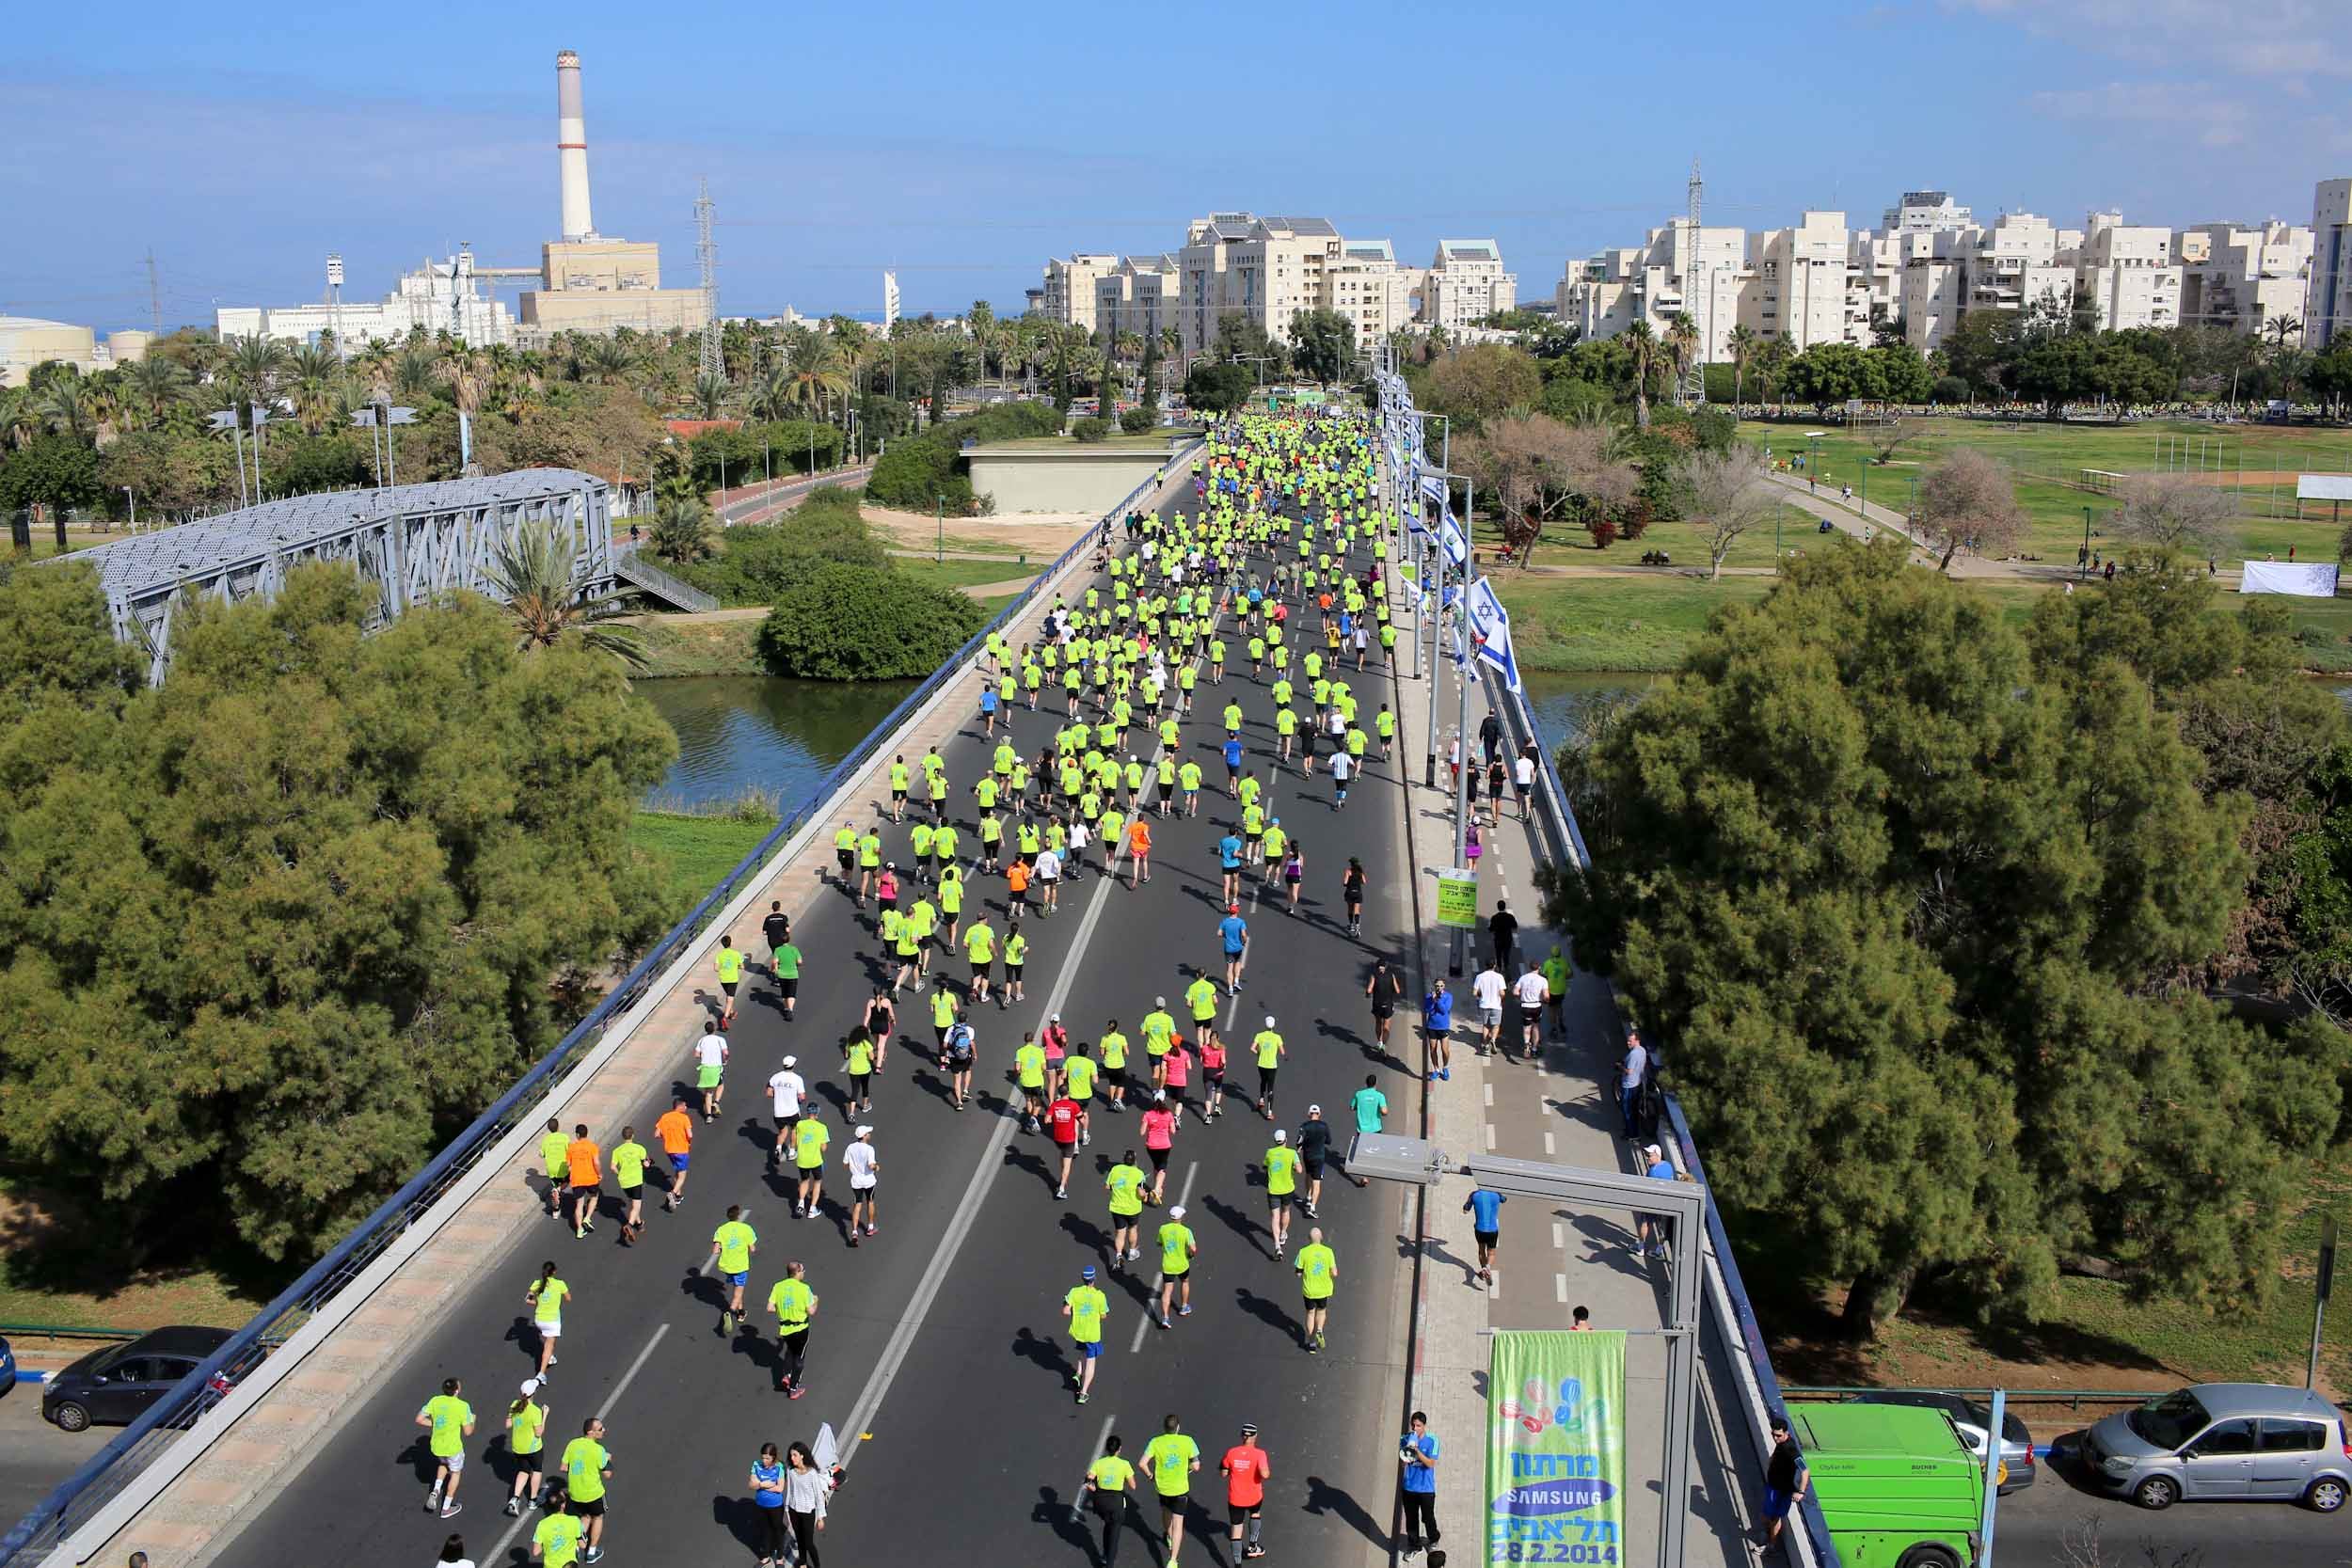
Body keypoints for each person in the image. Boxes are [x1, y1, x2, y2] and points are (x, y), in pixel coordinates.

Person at [1140, 1414, 1201, 1564]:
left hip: (1163, 1488)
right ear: (1178, 1427)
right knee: (1178, 1523)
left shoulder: (1156, 1442)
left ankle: (1168, 1536)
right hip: (1180, 1489)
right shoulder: (1187, 1441)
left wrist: (1150, 1476)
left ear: (1164, 1428)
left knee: (1166, 1512)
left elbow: (1142, 1463)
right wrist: (1187, 1468)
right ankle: (1173, 1560)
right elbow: (1196, 1466)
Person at [418, 1376, 476, 1519]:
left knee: (443, 1463)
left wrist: (437, 1424)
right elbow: (468, 1432)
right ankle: (446, 1508)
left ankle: (436, 1490)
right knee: (455, 1473)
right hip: (453, 1448)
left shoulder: (435, 1400)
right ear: (456, 1391)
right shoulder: (463, 1406)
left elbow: (419, 1419)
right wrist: (473, 1420)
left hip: (437, 1446)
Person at [559, 1417, 612, 1563]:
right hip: (593, 1493)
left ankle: (576, 1548)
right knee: (598, 1517)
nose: (604, 1430)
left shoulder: (573, 1444)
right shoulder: (598, 1449)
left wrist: (579, 1470)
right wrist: (608, 1460)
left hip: (575, 1493)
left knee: (586, 1516)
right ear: (591, 1432)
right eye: (600, 1429)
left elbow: (563, 1467)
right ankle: (591, 1552)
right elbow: (607, 1474)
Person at [1083, 1434, 1139, 1567]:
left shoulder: (1099, 1463)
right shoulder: (1124, 1464)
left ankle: (1104, 1555)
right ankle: (1109, 1563)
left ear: (1107, 1449)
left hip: (1101, 1502)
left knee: (1108, 1524)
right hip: (1116, 1503)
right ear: (1119, 1449)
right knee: (1114, 1535)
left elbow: (1088, 1480)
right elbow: (1133, 1485)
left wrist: (1094, 1488)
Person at [1221, 1423, 1272, 1561]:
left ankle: (1237, 1564)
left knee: (1236, 1533)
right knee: (1255, 1514)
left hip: (1235, 1499)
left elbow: (1223, 1473)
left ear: (1242, 1436)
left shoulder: (1231, 1452)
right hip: (1254, 1497)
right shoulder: (1260, 1454)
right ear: (1255, 1436)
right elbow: (1265, 1474)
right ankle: (1253, 1546)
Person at [767, 1259, 817, 1397]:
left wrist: (783, 1308)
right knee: (799, 1358)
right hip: (801, 1329)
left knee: (790, 1350)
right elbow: (811, 1311)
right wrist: (816, 1302)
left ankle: (787, 1375)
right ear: (797, 1273)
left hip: (785, 1329)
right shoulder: (804, 1289)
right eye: (803, 1270)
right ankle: (794, 1389)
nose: (804, 1272)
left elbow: (770, 1308)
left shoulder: (778, 1286)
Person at [1063, 1263, 1109, 1405]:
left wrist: (1077, 1313)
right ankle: (1083, 1393)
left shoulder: (1074, 1292)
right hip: (1092, 1334)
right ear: (1094, 1278)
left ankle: (1078, 1373)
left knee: (1081, 1350)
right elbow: (1103, 1315)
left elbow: (1065, 1311)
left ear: (1082, 1278)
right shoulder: (1100, 1296)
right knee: (1091, 1362)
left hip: (1078, 1331)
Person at [707, 1204, 757, 1334]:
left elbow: (715, 1251)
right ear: (739, 1216)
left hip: (726, 1266)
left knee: (736, 1287)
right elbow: (752, 1249)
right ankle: (728, 1314)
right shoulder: (746, 1228)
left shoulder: (721, 1229)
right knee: (737, 1294)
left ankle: (741, 1313)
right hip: (740, 1266)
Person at [1763, 1413, 1808, 1558]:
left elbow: (1805, 1470)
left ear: (1786, 1433)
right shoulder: (1781, 1444)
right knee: (1769, 1515)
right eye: (1773, 1435)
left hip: (1782, 1490)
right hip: (1773, 1485)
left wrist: (1801, 1492)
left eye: (1779, 1436)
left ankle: (1771, 1546)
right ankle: (1769, 1535)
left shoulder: (1791, 1450)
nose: (1775, 1438)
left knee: (1775, 1517)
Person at [1398, 1411, 1440, 1561]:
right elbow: (1403, 1464)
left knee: (1428, 1517)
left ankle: (1433, 1539)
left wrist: (1417, 1451)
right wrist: (1406, 1457)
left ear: (1424, 1426)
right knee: (1411, 1519)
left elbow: (1430, 1464)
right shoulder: (1404, 1438)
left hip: (1426, 1489)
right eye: (1413, 1425)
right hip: (1409, 1487)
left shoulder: (1433, 1440)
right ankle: (1414, 1545)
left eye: (1418, 1426)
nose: (1415, 1429)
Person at [504, 1378, 548, 1515]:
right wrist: (544, 1415)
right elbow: (539, 1433)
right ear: (533, 1393)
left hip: (518, 1447)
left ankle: (515, 1498)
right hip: (533, 1448)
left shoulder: (514, 1404)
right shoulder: (535, 1411)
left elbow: (508, 1424)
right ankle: (533, 1501)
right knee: (536, 1470)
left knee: (523, 1470)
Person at [784, 1439, 828, 1567]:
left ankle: (817, 1565)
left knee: (808, 1542)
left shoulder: (812, 1473)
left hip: (808, 1512)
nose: (792, 1458)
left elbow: (818, 1496)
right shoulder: (791, 1471)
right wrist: (787, 1510)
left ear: (802, 1455)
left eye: (794, 1455)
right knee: (799, 1539)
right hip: (794, 1510)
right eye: (791, 1455)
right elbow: (789, 1492)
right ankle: (802, 1562)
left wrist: (820, 1517)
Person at [1295, 1227, 1337, 1353]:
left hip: (1309, 1290)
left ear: (1309, 1239)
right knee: (1321, 1311)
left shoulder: (1303, 1252)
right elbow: (1334, 1273)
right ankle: (1319, 1330)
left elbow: (1298, 1273)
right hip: (1323, 1289)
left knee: (1310, 1313)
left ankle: (1311, 1343)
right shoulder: (1328, 1252)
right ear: (1321, 1237)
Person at [1156, 1202, 1198, 1328]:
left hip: (1168, 1265)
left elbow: (1159, 1243)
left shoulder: (1163, 1229)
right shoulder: (1186, 1231)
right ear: (1180, 1218)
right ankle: (1184, 1306)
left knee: (1167, 1291)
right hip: (1182, 1265)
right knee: (1185, 1282)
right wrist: (1190, 1254)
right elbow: (1193, 1249)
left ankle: (1165, 1318)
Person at [525, 1260, 568, 1380]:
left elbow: (528, 1299)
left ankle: (550, 1357)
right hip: (552, 1321)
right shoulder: (560, 1284)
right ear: (554, 1272)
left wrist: (539, 1303)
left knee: (546, 1338)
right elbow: (568, 1298)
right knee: (549, 1345)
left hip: (539, 1319)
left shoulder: (537, 1283)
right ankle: (541, 1374)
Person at [749, 1442, 789, 1567]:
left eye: (767, 1458)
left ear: (773, 1457)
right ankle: (765, 1557)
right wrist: (764, 1484)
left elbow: (780, 1488)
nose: (764, 1460)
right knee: (765, 1530)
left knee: (777, 1531)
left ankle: (780, 1558)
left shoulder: (779, 1468)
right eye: (763, 1457)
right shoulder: (756, 1465)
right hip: (761, 1505)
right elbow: (751, 1485)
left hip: (775, 1506)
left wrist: (759, 1484)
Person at [1104, 1148, 1146, 1268]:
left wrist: (1117, 1189)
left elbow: (1107, 1186)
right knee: (1132, 1228)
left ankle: (1118, 1255)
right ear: (1135, 1161)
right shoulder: (1139, 1173)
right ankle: (1132, 1252)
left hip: (1117, 1207)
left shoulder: (1115, 1169)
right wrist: (1144, 1196)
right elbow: (1140, 1192)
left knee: (1120, 1233)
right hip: (1132, 1208)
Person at [609, 1125, 649, 1245]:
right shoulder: (639, 1148)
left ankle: (640, 1224)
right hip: (635, 1180)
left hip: (624, 1182)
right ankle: (629, 1225)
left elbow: (612, 1167)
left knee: (633, 1202)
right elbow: (646, 1165)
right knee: (636, 1206)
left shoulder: (616, 1151)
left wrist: (619, 1173)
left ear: (623, 1137)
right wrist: (647, 1163)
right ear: (633, 1136)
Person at [766, 1056, 807, 1173]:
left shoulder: (775, 1077)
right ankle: (792, 1152)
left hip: (779, 1112)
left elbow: (768, 1093)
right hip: (792, 1111)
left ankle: (778, 1148)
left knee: (782, 1132)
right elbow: (802, 1097)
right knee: (794, 1130)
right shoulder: (797, 1079)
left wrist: (778, 1095)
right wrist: (798, 1099)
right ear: (793, 1065)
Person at [1637, 1142, 1678, 1259]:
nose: (1647, 1157)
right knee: (1662, 1228)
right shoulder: (1668, 1165)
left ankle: (1640, 1248)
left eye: (1650, 1155)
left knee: (1645, 1223)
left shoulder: (1652, 1172)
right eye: (1647, 1155)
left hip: (1653, 1203)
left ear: (1657, 1155)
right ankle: (1658, 1251)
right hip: (1666, 1203)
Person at [654, 1096, 694, 1212]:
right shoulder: (684, 1118)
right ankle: (672, 1193)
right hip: (681, 1150)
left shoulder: (665, 1117)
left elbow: (656, 1134)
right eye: (685, 1105)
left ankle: (677, 1196)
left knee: (677, 1171)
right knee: (682, 1176)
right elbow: (690, 1135)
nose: (686, 1107)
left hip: (669, 1150)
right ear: (680, 1106)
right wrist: (688, 1141)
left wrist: (667, 1135)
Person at [1263, 1129, 1300, 1256]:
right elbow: (1300, 1170)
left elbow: (1265, 1165)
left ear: (1275, 1141)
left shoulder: (1269, 1152)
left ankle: (1277, 1246)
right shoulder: (1292, 1153)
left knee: (1275, 1217)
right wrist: (1294, 1166)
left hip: (1273, 1190)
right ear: (1285, 1140)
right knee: (1286, 1211)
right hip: (1287, 1189)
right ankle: (1283, 1233)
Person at [1140, 1088, 1178, 1203]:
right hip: (1164, 1145)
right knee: (1162, 1168)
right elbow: (1173, 1131)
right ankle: (1157, 1189)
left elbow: (1142, 1132)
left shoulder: (1148, 1114)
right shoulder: (1168, 1114)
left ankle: (1158, 1187)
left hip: (1151, 1146)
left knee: (1156, 1166)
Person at [844, 1125, 880, 1243]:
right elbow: (871, 1165)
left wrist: (854, 1168)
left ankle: (854, 1231)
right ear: (864, 1136)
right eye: (868, 1133)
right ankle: (870, 1227)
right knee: (870, 1201)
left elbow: (845, 1164)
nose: (870, 1134)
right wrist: (876, 1167)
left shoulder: (850, 1147)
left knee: (857, 1205)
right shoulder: (869, 1149)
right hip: (868, 1181)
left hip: (856, 1181)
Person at [765, 904, 802, 1019]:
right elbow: (800, 961)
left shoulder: (768, 918)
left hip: (772, 942)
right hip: (792, 974)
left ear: (772, 908)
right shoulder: (794, 949)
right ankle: (789, 1009)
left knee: (785, 993)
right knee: (791, 994)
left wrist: (774, 970)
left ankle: (787, 1008)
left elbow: (764, 932)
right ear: (779, 907)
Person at [793, 1112, 831, 1220]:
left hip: (802, 1160)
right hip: (815, 1161)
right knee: (817, 1182)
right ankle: (812, 1209)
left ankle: (801, 1204)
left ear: (808, 1113)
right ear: (817, 1114)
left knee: (805, 1180)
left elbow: (795, 1139)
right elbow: (823, 1148)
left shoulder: (800, 1124)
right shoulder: (822, 1127)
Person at [529, 1492, 582, 1568]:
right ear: (563, 1505)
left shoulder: (542, 1524)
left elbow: (536, 1552)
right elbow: (583, 1545)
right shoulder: (575, 1520)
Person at [1464, 1187, 1505, 1285]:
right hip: (1492, 1230)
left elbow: (1465, 1210)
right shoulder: (1496, 1194)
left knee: (1481, 1251)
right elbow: (1504, 1200)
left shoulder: (1474, 1194)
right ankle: (1488, 1268)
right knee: (1491, 1253)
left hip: (1479, 1229)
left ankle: (1483, 1269)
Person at [1048, 1087, 1084, 1199]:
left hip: (1058, 1139)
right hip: (1069, 1139)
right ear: (1068, 1093)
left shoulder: (1054, 1105)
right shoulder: (1073, 1105)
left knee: (1062, 1154)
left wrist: (1057, 1118)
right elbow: (1082, 1120)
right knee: (1068, 1164)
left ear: (1059, 1093)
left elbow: (1047, 1120)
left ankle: (1062, 1175)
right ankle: (1062, 1188)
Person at [694, 1020, 730, 1123]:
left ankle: (709, 1116)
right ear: (714, 1029)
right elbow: (726, 1053)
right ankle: (716, 1102)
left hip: (705, 1068)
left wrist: (704, 1056)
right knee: (721, 1085)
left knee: (708, 1092)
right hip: (716, 1068)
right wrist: (725, 1060)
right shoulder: (720, 1039)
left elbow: (696, 1054)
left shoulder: (702, 1040)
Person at [1512, 963, 1549, 1059]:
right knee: (1535, 1027)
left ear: (1530, 968)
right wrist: (1545, 1001)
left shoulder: (1523, 978)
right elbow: (1546, 996)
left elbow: (1515, 992)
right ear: (1539, 968)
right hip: (1537, 1005)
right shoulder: (1543, 980)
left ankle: (1526, 1045)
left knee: (1526, 1028)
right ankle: (1534, 1049)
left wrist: (1520, 997)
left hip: (1525, 1005)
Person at [1250, 1015, 1285, 1118]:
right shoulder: (1277, 1037)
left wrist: (1258, 1053)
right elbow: (1283, 1052)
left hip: (1261, 1064)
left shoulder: (1259, 1035)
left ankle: (1261, 1098)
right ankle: (1269, 1112)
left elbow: (1252, 1048)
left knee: (1263, 1080)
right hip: (1272, 1065)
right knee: (1271, 1087)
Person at [1470, 959, 1506, 1058]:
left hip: (1484, 1005)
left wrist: (1481, 995)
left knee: (1485, 1025)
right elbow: (1502, 993)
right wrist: (1501, 999)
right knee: (1496, 1025)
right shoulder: (1499, 977)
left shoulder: (1479, 977)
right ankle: (1493, 1040)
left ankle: (1486, 1046)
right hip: (1496, 1005)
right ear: (1494, 966)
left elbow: (1474, 993)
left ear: (1485, 965)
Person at [1618, 1031, 1648, 1140]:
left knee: (1627, 1111)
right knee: (1634, 1109)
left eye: (1630, 1041)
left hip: (1629, 1085)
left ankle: (1631, 1134)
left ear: (1637, 1040)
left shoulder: (1633, 1054)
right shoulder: (1642, 1050)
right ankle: (1634, 1130)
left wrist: (1620, 1067)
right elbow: (1643, 1065)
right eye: (1628, 1040)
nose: (1628, 1043)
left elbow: (1629, 1071)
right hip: (1638, 1082)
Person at [538, 1117, 570, 1219]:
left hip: (551, 1169)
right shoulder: (565, 1137)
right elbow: (570, 1150)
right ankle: (558, 1190)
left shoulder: (545, 1140)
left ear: (549, 1129)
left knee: (555, 1185)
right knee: (567, 1181)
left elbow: (541, 1154)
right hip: (563, 1167)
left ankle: (556, 1211)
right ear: (558, 1127)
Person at [1422, 979, 1453, 1082]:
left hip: (1443, 1027)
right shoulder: (1429, 996)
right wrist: (1432, 1001)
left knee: (1444, 1050)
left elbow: (1444, 1010)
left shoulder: (1448, 996)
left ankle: (1446, 1067)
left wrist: (1438, 1001)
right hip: (1432, 1027)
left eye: (1441, 986)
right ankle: (1436, 1069)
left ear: (1444, 986)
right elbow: (1427, 1009)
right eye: (1437, 986)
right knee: (1433, 1049)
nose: (1439, 988)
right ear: (1434, 986)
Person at [1220, 903, 1250, 992]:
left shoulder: (1225, 921)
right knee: (1237, 963)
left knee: (1229, 968)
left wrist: (1226, 935)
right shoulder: (1241, 922)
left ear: (1229, 911)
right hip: (1238, 948)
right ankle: (1236, 981)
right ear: (1237, 911)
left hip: (1228, 949)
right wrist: (1244, 942)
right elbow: (1244, 935)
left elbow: (1219, 933)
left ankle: (1230, 988)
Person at [1487, 899, 1518, 976]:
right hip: (1507, 939)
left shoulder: (1494, 917)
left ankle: (1499, 969)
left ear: (1498, 907)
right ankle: (1507, 969)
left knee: (1498, 954)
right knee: (1506, 954)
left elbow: (1491, 929)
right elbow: (1515, 926)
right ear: (1505, 907)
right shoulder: (1510, 917)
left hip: (1498, 939)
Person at [1342, 857, 1366, 937]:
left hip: (1350, 893)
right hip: (1358, 893)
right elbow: (1364, 882)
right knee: (1357, 911)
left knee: (1350, 908)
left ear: (1351, 864)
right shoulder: (1360, 872)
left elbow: (1345, 883)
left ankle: (1351, 925)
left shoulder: (1348, 871)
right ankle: (1358, 929)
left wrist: (1348, 883)